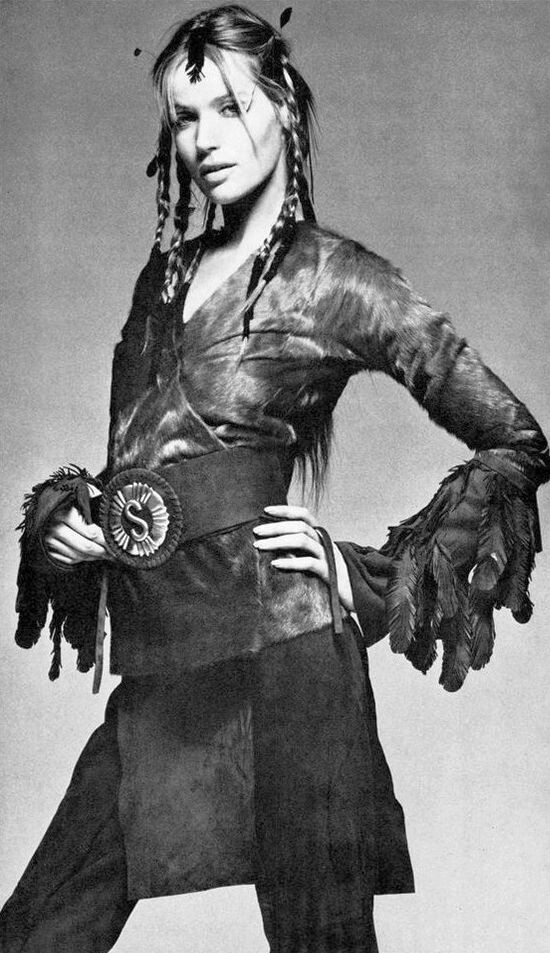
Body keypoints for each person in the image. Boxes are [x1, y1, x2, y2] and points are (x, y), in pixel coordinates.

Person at [1, 5, 548, 952]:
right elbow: (143, 467)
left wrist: (373, 574)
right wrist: (68, 523)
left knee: (321, 941)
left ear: (284, 107)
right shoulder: (159, 282)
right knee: (37, 932)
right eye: (184, 118)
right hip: (167, 668)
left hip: (289, 663)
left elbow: (518, 441)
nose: (204, 140)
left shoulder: (337, 278)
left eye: (229, 108)